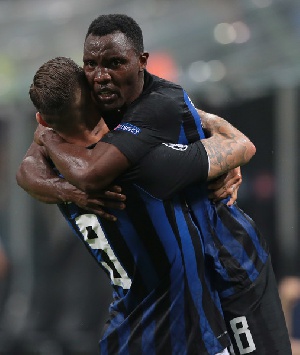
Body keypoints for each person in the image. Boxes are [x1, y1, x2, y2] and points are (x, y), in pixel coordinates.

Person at [17, 14, 291, 354]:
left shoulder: (144, 126)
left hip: (229, 264)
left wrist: (50, 146)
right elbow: (28, 171)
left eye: (115, 63)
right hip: (182, 294)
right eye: (91, 64)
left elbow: (242, 146)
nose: (101, 76)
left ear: (141, 63)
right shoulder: (114, 126)